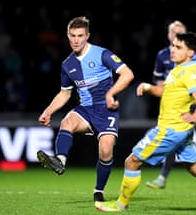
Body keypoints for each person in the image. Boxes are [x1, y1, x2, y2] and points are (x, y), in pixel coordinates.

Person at [96, 32, 196, 213]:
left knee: (131, 162)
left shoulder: (190, 72)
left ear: (191, 53)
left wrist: (194, 117)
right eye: (173, 46)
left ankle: (120, 205)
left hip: (169, 130)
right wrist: (148, 88)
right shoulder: (179, 69)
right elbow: (165, 92)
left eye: (179, 47)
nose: (173, 50)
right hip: (182, 132)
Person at [36, 16, 134, 206]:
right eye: (72, 36)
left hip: (106, 110)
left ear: (87, 36)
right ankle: (60, 161)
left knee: (106, 150)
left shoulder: (102, 54)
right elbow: (65, 94)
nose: (76, 40)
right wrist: (48, 111)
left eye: (80, 36)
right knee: (67, 122)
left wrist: (111, 93)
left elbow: (128, 74)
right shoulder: (67, 65)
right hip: (86, 109)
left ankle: (98, 191)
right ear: (67, 35)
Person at [146, 20, 196, 189]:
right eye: (173, 32)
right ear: (168, 35)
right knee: (181, 138)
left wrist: (194, 96)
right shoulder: (162, 55)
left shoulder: (194, 56)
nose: (175, 35)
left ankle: (163, 177)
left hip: (187, 103)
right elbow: (159, 81)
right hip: (170, 103)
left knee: (174, 136)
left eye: (179, 32)